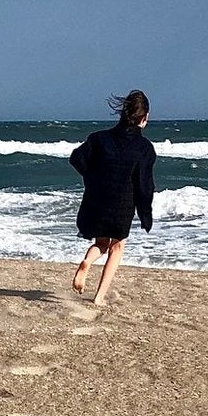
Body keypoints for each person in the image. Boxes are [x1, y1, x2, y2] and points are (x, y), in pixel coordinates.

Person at [68, 90, 156, 307]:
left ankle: (87, 262)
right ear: (143, 118)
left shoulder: (99, 139)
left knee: (101, 243)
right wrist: (146, 214)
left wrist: (93, 178)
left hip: (97, 199)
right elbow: (144, 185)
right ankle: (98, 297)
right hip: (122, 204)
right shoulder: (144, 148)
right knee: (116, 248)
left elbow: (76, 159)